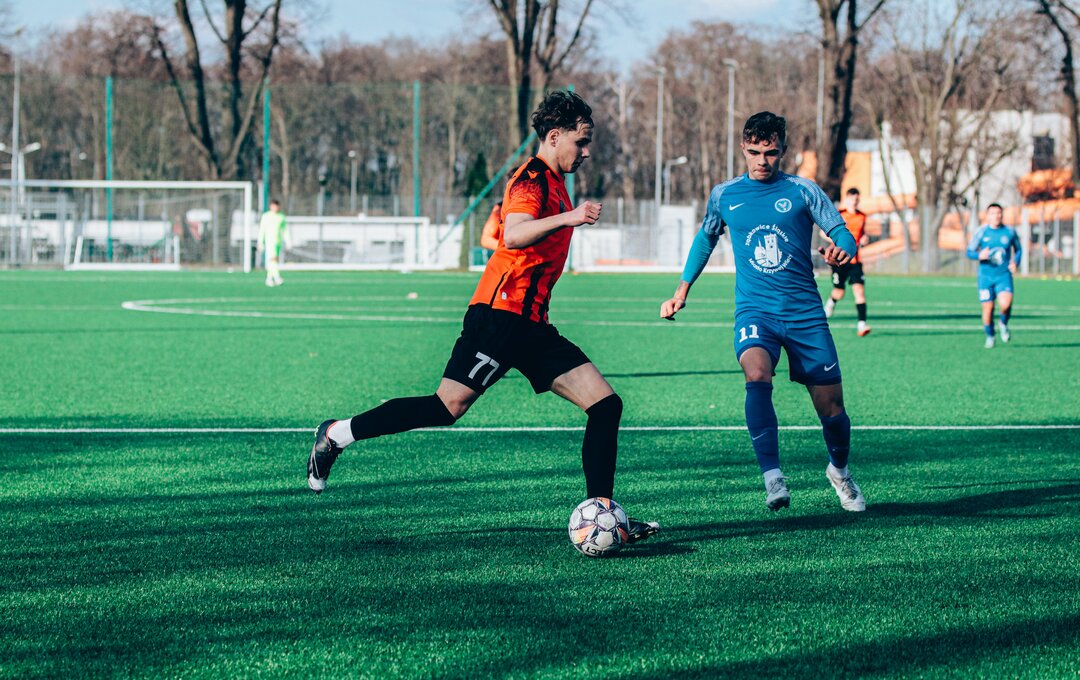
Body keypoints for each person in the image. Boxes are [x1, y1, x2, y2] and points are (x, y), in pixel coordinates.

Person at [306, 90, 659, 544]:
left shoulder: (556, 182)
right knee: (446, 407)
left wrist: (567, 214)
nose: (586, 152)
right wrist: (569, 218)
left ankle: (602, 515)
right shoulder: (530, 180)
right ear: (554, 137)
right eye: (581, 141)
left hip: (532, 325)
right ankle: (337, 434)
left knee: (606, 406)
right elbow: (513, 235)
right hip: (498, 317)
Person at [660, 111, 866, 512]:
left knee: (832, 410)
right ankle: (773, 476)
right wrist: (681, 290)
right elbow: (706, 239)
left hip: (805, 314)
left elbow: (842, 233)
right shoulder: (725, 195)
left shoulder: (803, 191)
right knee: (756, 374)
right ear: (743, 148)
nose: (762, 161)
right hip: (756, 311)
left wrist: (842, 250)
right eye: (754, 152)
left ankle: (839, 471)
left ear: (783, 150)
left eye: (770, 153)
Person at [966, 203, 1021, 348]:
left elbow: (1018, 250)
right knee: (988, 309)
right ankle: (990, 335)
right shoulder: (981, 232)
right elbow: (969, 252)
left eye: (998, 213)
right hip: (985, 277)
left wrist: (1015, 262)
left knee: (1005, 304)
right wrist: (979, 255)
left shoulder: (1009, 232)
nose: (996, 216)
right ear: (987, 216)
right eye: (992, 213)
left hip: (1003, 276)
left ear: (1002, 215)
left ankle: (1003, 323)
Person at [822, 187, 872, 336]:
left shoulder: (862, 216)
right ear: (847, 199)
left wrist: (865, 239)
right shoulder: (839, 215)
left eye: (857, 199)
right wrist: (838, 242)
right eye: (852, 199)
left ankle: (862, 324)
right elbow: (823, 232)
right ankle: (831, 302)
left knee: (859, 291)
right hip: (840, 259)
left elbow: (862, 235)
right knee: (839, 292)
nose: (854, 202)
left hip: (856, 260)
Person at [257, 199, 290, 287]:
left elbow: (285, 230)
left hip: (277, 242)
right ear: (271, 206)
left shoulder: (281, 217)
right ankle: (277, 277)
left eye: (276, 206)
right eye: (273, 206)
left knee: (273, 261)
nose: (275, 208)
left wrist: (288, 241)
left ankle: (269, 279)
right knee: (273, 260)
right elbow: (262, 230)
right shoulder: (266, 216)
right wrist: (260, 242)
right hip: (269, 242)